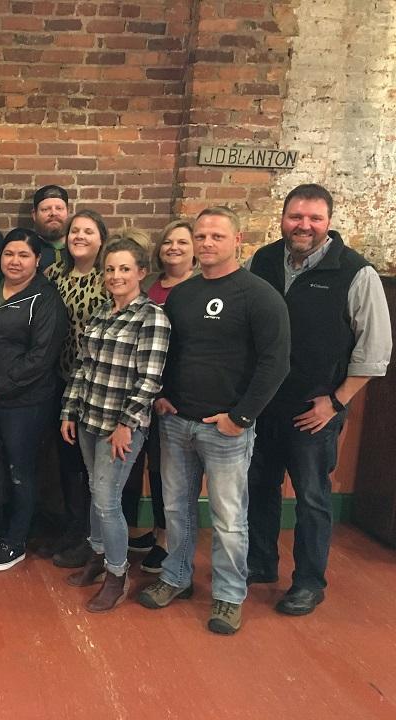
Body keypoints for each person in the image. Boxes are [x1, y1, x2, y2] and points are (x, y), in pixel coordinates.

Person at [137, 206, 290, 635]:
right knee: (176, 509)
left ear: (237, 241)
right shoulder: (183, 294)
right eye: (200, 236)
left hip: (226, 428)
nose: (206, 244)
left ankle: (227, 596)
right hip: (177, 422)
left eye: (216, 237)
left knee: (227, 517)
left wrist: (240, 418)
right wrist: (162, 395)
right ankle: (176, 577)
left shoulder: (259, 296)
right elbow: (165, 352)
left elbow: (275, 364)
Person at [247, 184, 391, 615]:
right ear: (283, 217)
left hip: (315, 410)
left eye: (314, 218)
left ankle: (309, 582)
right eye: (296, 216)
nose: (303, 225)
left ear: (328, 221)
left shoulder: (355, 272)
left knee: (311, 498)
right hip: (263, 405)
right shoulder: (263, 261)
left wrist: (336, 401)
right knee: (260, 489)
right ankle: (260, 563)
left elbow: (375, 350)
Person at [60, 236, 170, 612]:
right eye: (110, 269)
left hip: (120, 428)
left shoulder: (151, 317)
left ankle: (117, 574)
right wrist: (68, 411)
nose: (116, 276)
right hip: (89, 417)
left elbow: (150, 380)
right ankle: (97, 554)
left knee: (108, 501)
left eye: (125, 269)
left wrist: (127, 424)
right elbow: (82, 368)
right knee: (96, 491)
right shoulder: (102, 315)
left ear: (141, 272)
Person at [0, 228, 68, 571]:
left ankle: (16, 539)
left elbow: (41, 358)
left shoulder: (45, 298)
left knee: (19, 470)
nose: (15, 261)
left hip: (24, 402)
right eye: (9, 253)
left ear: (38, 260)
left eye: (24, 255)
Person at [124, 219, 197, 573]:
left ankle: (168, 541)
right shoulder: (151, 285)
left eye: (182, 242)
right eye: (168, 241)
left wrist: (168, 392)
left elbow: (188, 349)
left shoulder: (199, 288)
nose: (173, 248)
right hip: (143, 393)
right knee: (147, 467)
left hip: (172, 397)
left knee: (168, 472)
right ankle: (155, 531)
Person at [41, 209, 109, 569]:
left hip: (98, 384)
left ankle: (93, 536)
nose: (79, 237)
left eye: (88, 231)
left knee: (92, 465)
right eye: (74, 232)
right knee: (67, 460)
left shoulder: (109, 278)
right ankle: (74, 525)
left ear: (101, 238)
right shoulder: (54, 275)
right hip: (60, 380)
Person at [31, 185, 70, 272]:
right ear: (34, 214)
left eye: (59, 208)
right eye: (45, 209)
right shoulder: (28, 249)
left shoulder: (79, 248)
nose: (53, 213)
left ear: (68, 212)